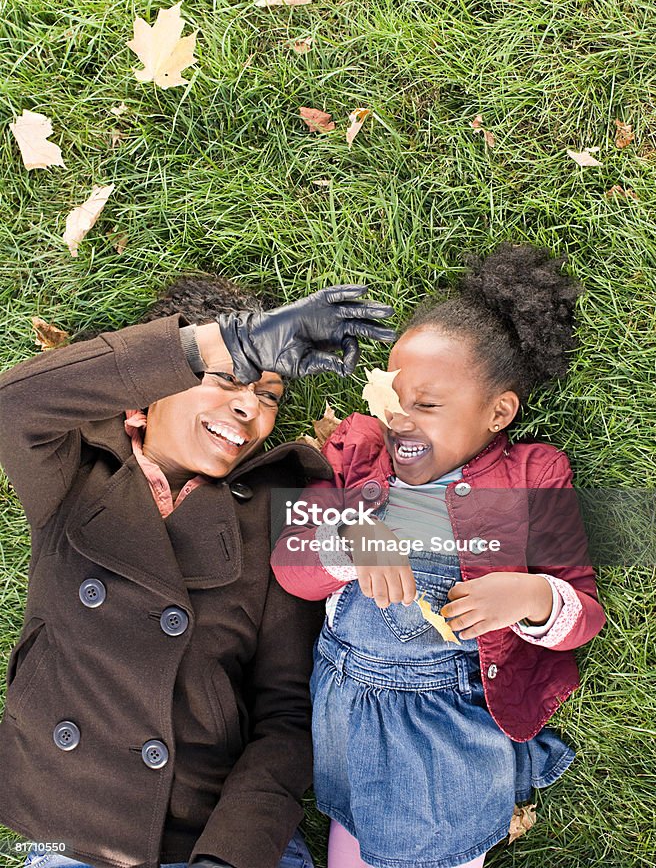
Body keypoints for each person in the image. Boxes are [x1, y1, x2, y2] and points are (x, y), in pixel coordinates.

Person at [0, 277, 396, 868]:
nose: (251, 410)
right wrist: (221, 342)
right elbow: (14, 403)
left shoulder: (275, 511)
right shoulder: (74, 476)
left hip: (223, 836)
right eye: (228, 378)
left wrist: (229, 856)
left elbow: (286, 716)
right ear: (148, 391)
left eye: (270, 396)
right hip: (73, 834)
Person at [271, 243, 607, 868]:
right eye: (394, 402)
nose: (402, 422)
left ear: (498, 411)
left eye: (427, 406)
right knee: (354, 837)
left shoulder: (534, 476)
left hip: (450, 719)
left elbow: (582, 612)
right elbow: (291, 566)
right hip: (350, 707)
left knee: (432, 847)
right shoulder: (359, 458)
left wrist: (531, 598)